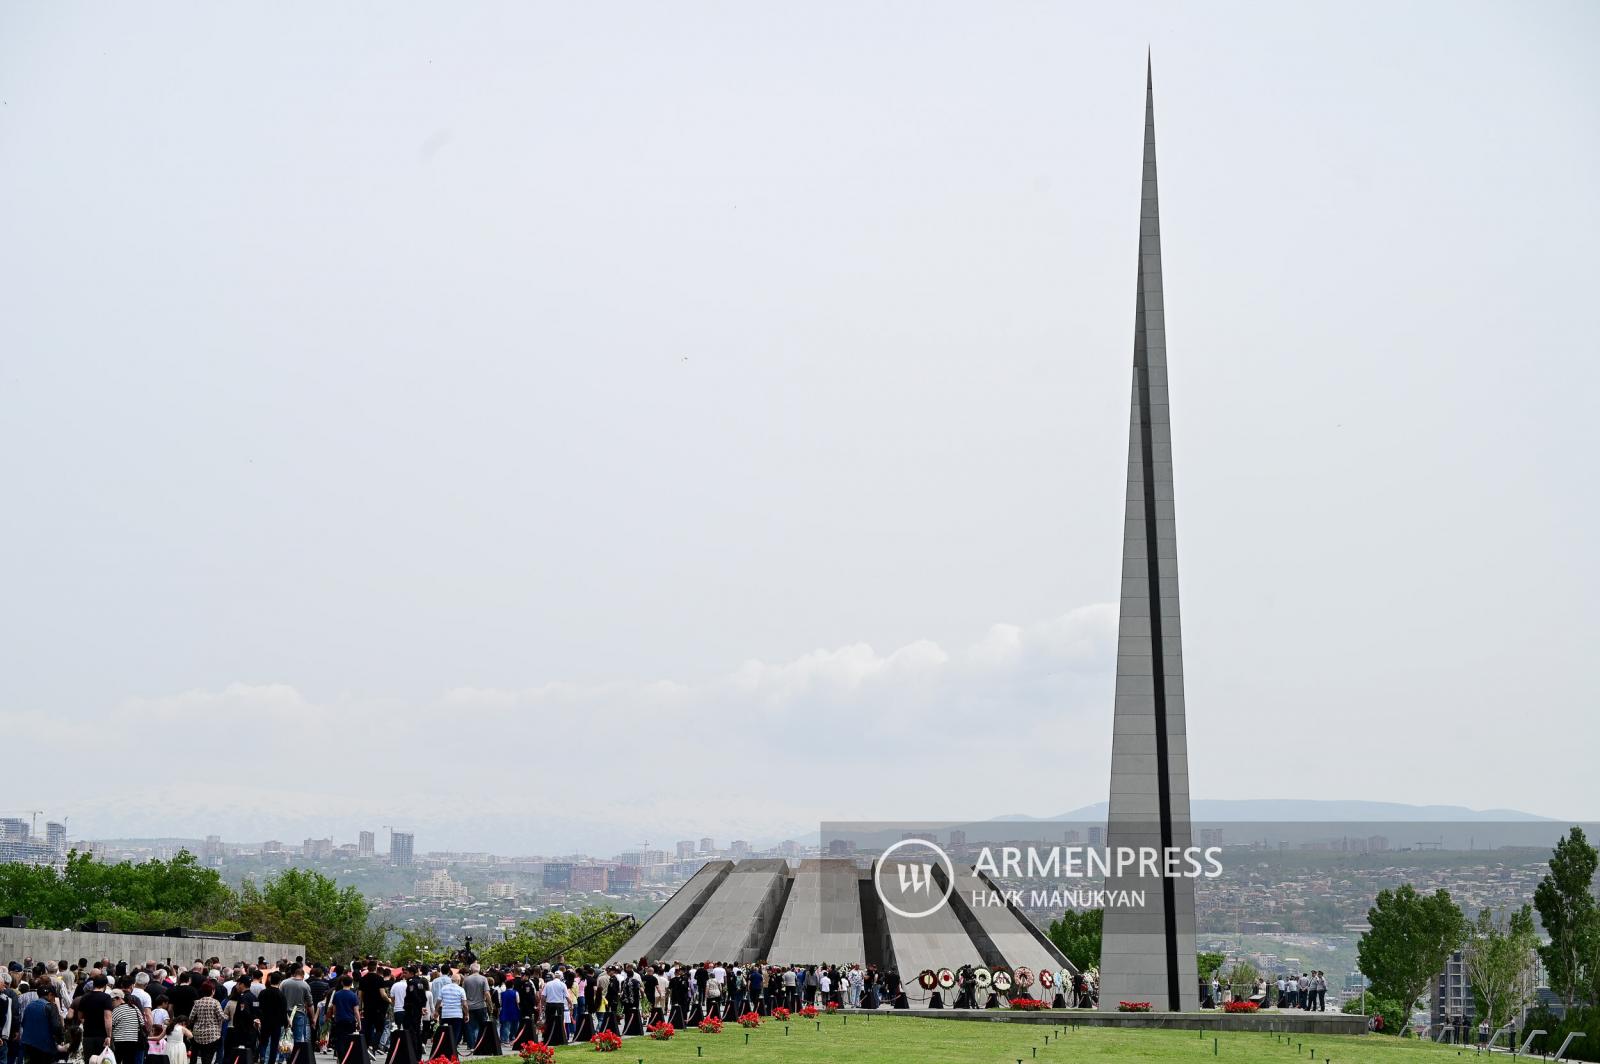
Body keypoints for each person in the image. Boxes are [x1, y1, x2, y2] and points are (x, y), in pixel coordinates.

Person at [21, 983, 67, 1064]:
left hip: (28, 1045)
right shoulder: (51, 1006)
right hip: (44, 1046)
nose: (54, 999)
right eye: (54, 997)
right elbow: (56, 1026)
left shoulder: (29, 1005)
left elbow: (23, 1023)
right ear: (50, 995)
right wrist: (61, 1039)